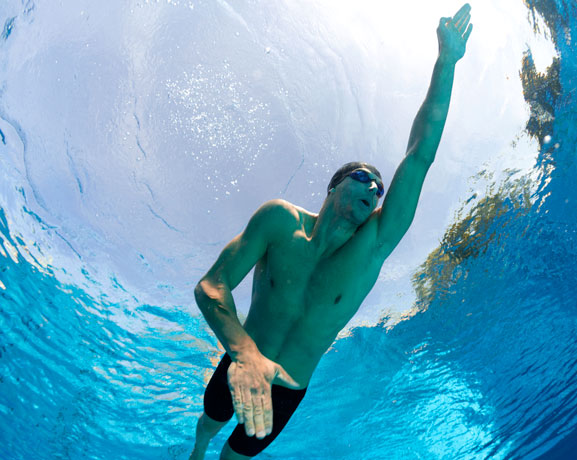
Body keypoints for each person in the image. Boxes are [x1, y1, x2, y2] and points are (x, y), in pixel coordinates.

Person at [189, 4, 473, 459]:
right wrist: (243, 353)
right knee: (210, 423)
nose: (376, 189)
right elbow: (211, 287)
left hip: (288, 388)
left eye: (380, 189)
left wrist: (445, 63)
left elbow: (419, 156)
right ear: (335, 184)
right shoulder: (279, 222)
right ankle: (196, 449)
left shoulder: (372, 247)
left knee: (234, 458)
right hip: (240, 360)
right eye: (363, 178)